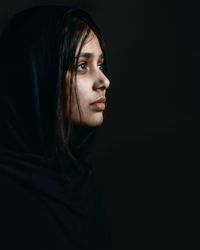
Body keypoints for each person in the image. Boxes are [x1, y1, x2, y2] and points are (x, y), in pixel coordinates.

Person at [0, 5, 111, 250]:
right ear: (38, 74)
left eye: (101, 65)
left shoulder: (79, 180)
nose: (104, 81)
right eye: (82, 65)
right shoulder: (7, 190)